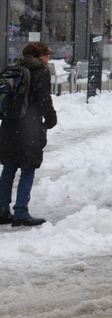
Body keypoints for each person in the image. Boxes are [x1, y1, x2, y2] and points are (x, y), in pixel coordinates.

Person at [0, 42, 57, 226]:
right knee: (28, 168)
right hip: (29, 126)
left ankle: (2, 210)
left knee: (9, 168)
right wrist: (50, 118)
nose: (49, 58)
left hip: (9, 124)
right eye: (47, 55)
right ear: (39, 56)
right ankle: (21, 212)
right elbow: (43, 99)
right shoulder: (40, 71)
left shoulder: (16, 69)